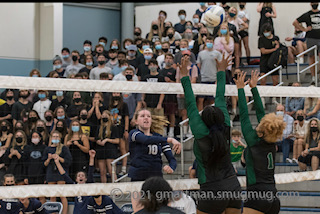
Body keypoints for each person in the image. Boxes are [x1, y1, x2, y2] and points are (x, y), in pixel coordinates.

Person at [179, 53, 241, 213]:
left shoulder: (200, 132)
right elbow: (220, 97)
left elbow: (191, 101)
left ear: (203, 120)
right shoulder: (226, 125)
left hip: (212, 189)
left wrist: (184, 75)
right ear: (221, 116)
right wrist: (221, 71)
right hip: (233, 186)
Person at [235, 70, 286, 214]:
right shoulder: (271, 141)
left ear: (263, 131)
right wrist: (253, 88)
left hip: (257, 195)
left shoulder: (253, 141)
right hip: (273, 197)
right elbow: (260, 112)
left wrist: (240, 90)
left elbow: (244, 116)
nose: (259, 123)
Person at [128, 109, 181, 181]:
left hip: (156, 177)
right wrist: (170, 139)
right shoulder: (134, 134)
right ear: (136, 121)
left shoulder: (159, 137)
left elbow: (172, 159)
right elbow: (145, 140)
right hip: (138, 177)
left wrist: (171, 167)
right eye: (142, 116)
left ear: (151, 120)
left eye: (148, 116)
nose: (146, 118)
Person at [54, 149, 96, 214]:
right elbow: (64, 174)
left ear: (85, 179)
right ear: (76, 179)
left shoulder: (89, 185)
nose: (81, 177)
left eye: (83, 175)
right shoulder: (74, 185)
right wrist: (57, 163)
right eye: (79, 176)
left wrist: (91, 157)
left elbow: (90, 170)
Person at [42, 131, 72, 214]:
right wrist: (49, 158)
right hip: (50, 173)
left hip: (61, 173)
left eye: (57, 136)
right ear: (51, 138)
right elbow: (44, 164)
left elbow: (68, 162)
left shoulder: (64, 148)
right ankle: (53, 212)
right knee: (52, 196)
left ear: (60, 138)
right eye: (54, 136)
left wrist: (59, 158)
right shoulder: (47, 149)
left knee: (62, 195)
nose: (55, 138)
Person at [293, 2, 320, 83]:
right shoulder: (307, 14)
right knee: (311, 57)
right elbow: (295, 22)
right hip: (311, 38)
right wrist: (304, 29)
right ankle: (313, 77)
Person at [175, 50, 198, 138]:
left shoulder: (193, 67)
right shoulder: (179, 68)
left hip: (190, 92)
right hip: (180, 93)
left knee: (190, 111)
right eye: (184, 55)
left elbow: (194, 80)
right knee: (183, 112)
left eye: (187, 55)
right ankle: (184, 132)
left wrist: (187, 91)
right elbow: (177, 80)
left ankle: (190, 130)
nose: (186, 57)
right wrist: (180, 91)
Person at [197, 36, 223, 111]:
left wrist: (218, 79)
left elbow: (220, 67)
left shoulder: (217, 53)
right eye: (207, 41)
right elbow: (199, 66)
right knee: (200, 100)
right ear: (205, 43)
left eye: (211, 42)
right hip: (203, 79)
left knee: (212, 101)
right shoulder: (201, 54)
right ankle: (200, 117)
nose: (209, 43)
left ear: (213, 43)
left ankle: (212, 115)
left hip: (213, 78)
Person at [258, 22, 280, 105]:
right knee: (263, 79)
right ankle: (263, 98)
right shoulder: (261, 39)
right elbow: (263, 51)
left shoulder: (276, 38)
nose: (266, 33)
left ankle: (274, 97)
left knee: (275, 80)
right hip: (264, 61)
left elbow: (279, 48)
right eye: (264, 31)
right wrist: (274, 49)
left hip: (274, 61)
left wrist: (277, 48)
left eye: (267, 31)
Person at [95, 110, 120, 183]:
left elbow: (117, 140)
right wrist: (98, 141)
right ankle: (104, 191)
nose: (104, 116)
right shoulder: (99, 127)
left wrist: (107, 140)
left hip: (110, 150)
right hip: (101, 150)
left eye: (106, 115)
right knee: (102, 172)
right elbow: (96, 138)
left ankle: (116, 190)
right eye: (103, 115)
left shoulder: (113, 127)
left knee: (111, 171)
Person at [109, 92, 129, 176]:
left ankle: (124, 169)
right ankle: (112, 170)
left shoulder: (124, 105)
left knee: (122, 149)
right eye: (114, 93)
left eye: (117, 93)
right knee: (113, 150)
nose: (115, 94)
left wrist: (126, 130)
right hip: (112, 130)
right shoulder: (109, 105)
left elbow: (126, 117)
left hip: (121, 129)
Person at [160, 53, 177, 138]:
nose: (168, 60)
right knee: (164, 114)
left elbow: (177, 84)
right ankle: (164, 131)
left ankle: (171, 132)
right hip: (162, 96)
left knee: (171, 114)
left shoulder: (174, 71)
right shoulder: (161, 71)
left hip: (171, 96)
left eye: (170, 58)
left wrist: (170, 81)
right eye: (167, 58)